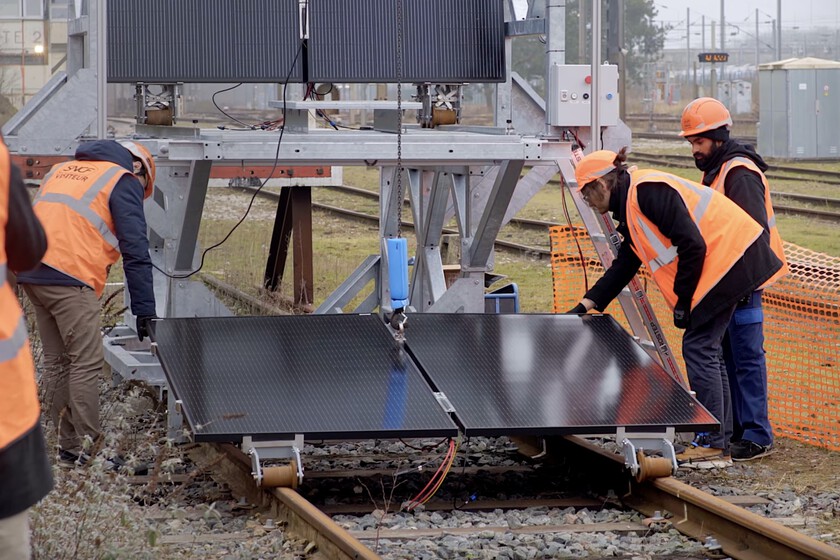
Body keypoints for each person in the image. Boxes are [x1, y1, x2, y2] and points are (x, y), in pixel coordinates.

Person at [566, 148, 783, 467]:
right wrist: (587, 305)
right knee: (707, 351)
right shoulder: (634, 202)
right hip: (733, 261)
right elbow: (625, 265)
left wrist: (684, 301)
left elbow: (692, 245)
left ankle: (712, 444)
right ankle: (718, 439)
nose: (589, 203)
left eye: (587, 195)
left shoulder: (647, 192)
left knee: (699, 348)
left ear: (601, 184)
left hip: (733, 261)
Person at [16, 140, 157, 472]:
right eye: (143, 187)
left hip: (32, 271)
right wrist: (144, 309)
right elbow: (135, 247)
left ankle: (68, 450)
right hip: (69, 274)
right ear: (138, 167)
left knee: (57, 362)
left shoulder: (61, 170)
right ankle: (95, 454)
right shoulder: (121, 178)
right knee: (85, 363)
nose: (138, 193)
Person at [679, 97, 788, 461]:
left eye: (699, 141)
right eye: (691, 142)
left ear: (718, 137)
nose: (694, 149)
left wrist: (739, 285)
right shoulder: (718, 169)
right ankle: (739, 430)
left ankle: (757, 436)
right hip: (728, 281)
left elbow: (751, 234)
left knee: (746, 358)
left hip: (744, 281)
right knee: (728, 357)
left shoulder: (738, 173)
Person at [0, 134, 53, 559]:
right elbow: (28, 246)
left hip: (52, 282)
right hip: (4, 418)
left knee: (65, 360)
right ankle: (81, 443)